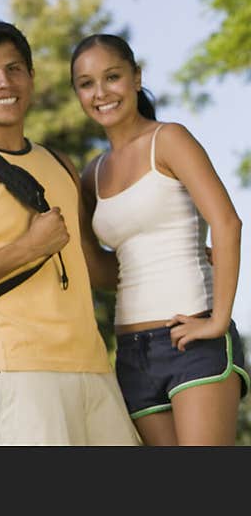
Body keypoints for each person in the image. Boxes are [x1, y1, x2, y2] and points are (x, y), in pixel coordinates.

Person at [0, 19, 140, 445]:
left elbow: (92, 267)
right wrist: (29, 248)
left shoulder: (59, 163)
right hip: (20, 375)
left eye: (15, 69)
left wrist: (180, 258)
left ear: (31, 78)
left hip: (94, 368)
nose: (4, 82)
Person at [70, 33, 249, 445]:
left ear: (136, 77)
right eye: (86, 83)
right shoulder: (91, 175)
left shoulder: (168, 139)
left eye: (112, 77)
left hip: (193, 337)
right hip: (132, 352)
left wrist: (218, 320)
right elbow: (102, 271)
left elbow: (227, 224)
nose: (101, 93)